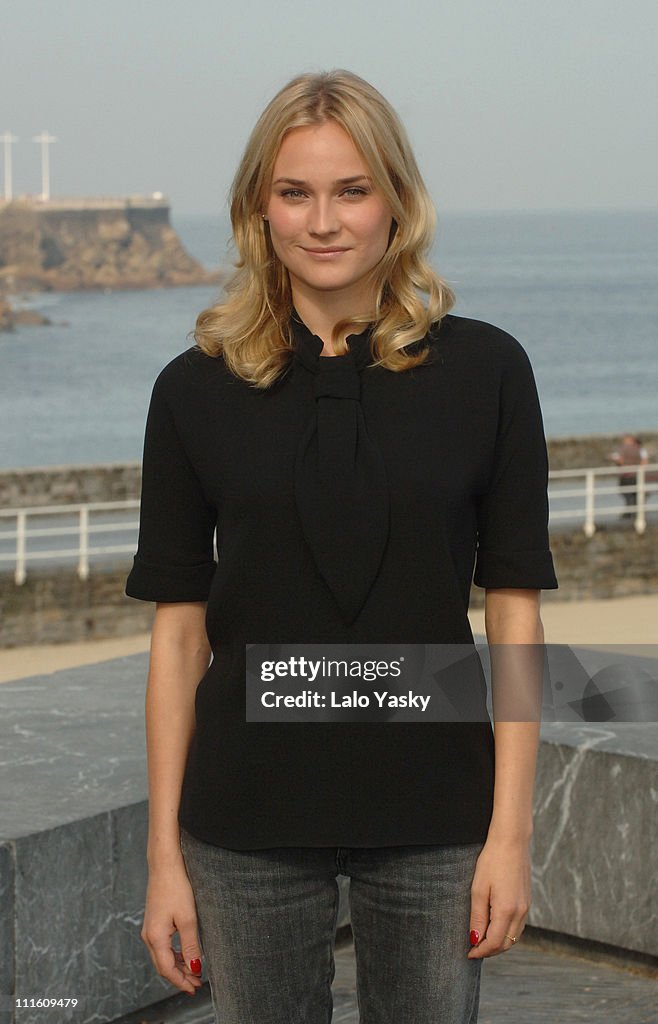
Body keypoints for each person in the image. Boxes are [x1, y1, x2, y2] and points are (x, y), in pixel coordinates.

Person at [125, 69, 558, 1024]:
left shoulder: (489, 371)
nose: (324, 222)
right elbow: (177, 637)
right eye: (295, 192)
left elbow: (517, 619)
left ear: (396, 203)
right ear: (258, 209)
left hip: (441, 823)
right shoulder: (192, 390)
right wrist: (164, 857)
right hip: (244, 825)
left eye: (352, 190)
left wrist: (510, 834)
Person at [609, 434, 649, 517]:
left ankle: (630, 511)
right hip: (634, 474)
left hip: (628, 474)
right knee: (632, 493)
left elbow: (620, 460)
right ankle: (634, 511)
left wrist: (620, 462)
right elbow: (644, 462)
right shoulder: (640, 449)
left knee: (628, 492)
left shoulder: (624, 449)